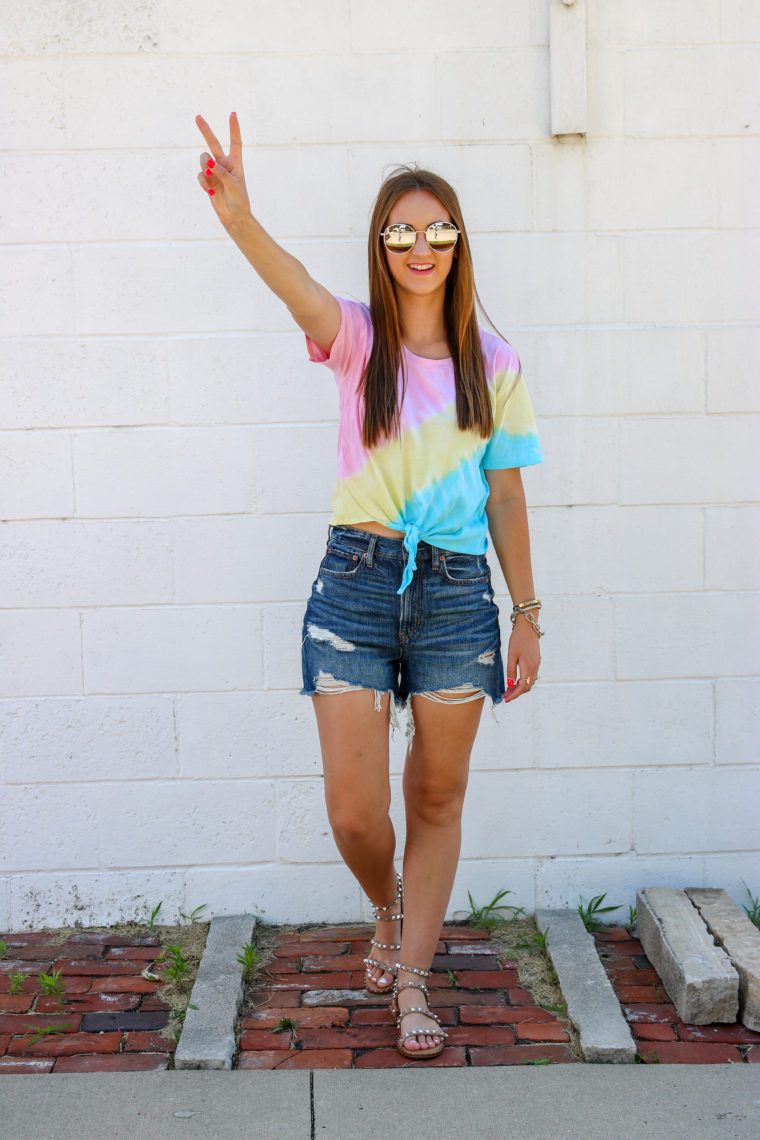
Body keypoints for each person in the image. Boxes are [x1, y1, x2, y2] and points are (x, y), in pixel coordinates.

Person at [195, 112, 544, 1061]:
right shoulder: (356, 340)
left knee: (437, 796)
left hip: (459, 594)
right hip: (356, 580)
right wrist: (238, 217)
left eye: (437, 230)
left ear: (459, 241)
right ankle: (385, 908)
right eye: (401, 231)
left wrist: (528, 614)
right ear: (381, 246)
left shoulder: (495, 362)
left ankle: (416, 982)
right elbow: (296, 289)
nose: (420, 246)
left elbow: (506, 497)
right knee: (356, 811)